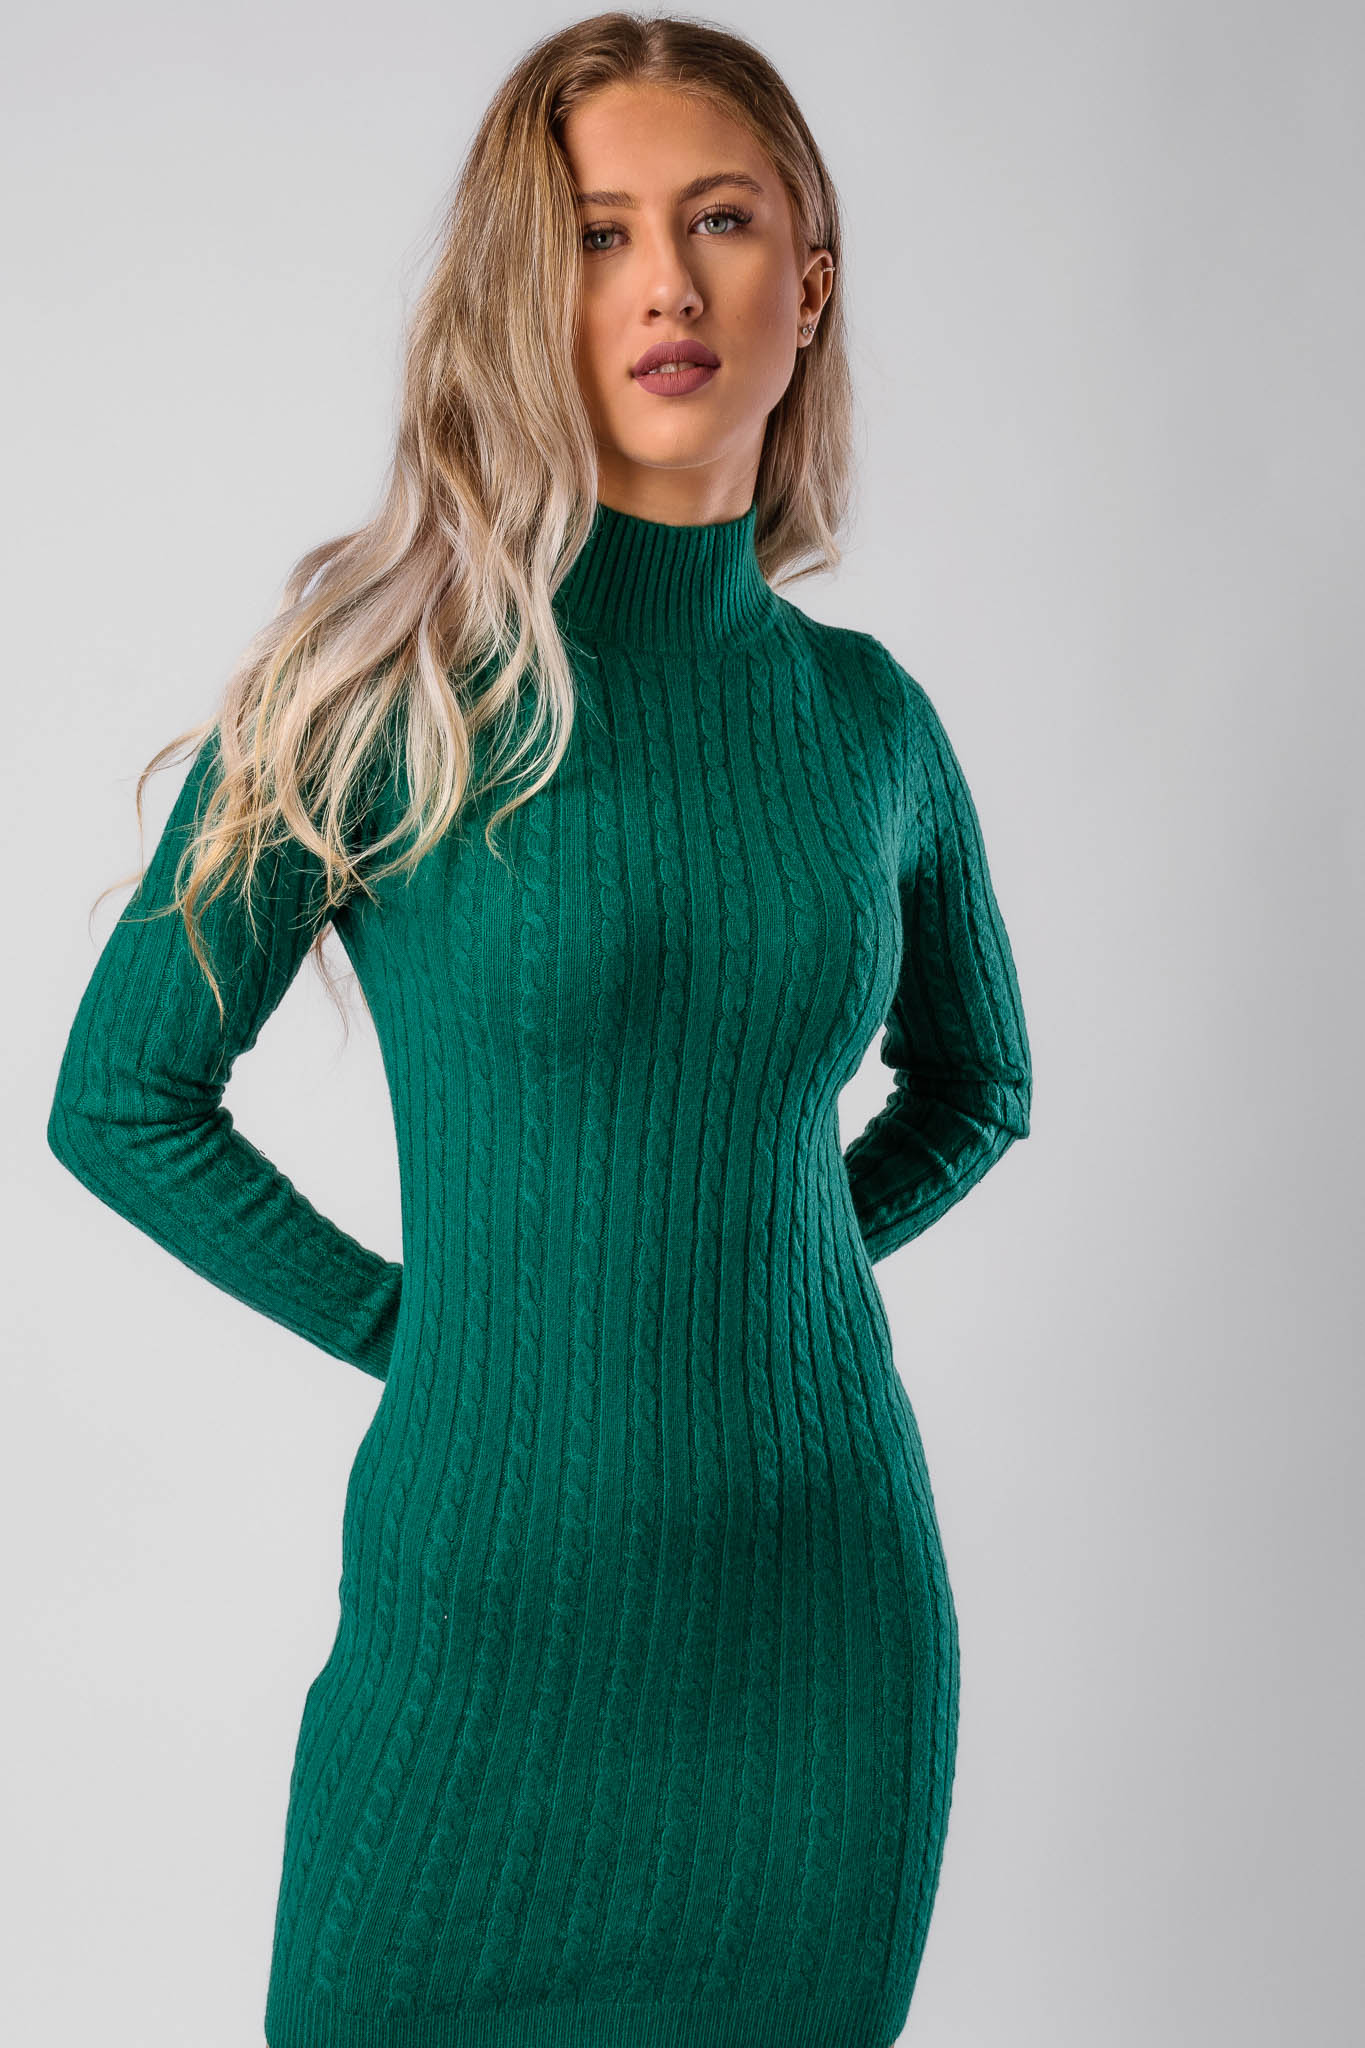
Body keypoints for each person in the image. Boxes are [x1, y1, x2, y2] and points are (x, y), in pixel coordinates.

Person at [47, 14, 1033, 2047]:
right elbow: (120, 1097)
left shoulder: (867, 723)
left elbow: (977, 1083)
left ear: (806, 285)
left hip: (817, 1634)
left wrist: (758, 1288)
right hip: (478, 1613)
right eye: (594, 235)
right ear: (525, 290)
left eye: (718, 221)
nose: (664, 283)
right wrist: (420, 1327)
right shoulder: (380, 683)